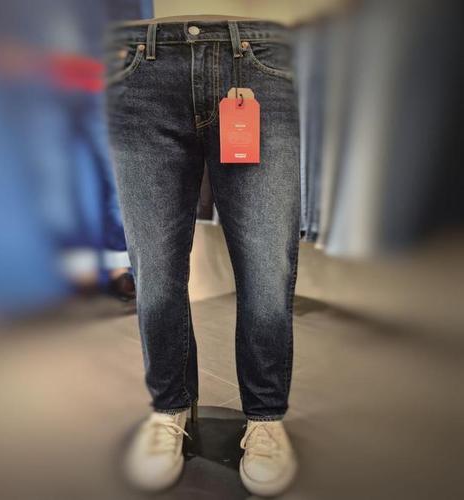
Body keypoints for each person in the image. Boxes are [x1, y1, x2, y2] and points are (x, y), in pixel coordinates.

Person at [105, 15, 300, 497]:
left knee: (266, 266)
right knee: (155, 268)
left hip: (260, 59)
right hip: (138, 61)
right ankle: (169, 408)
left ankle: (265, 416)